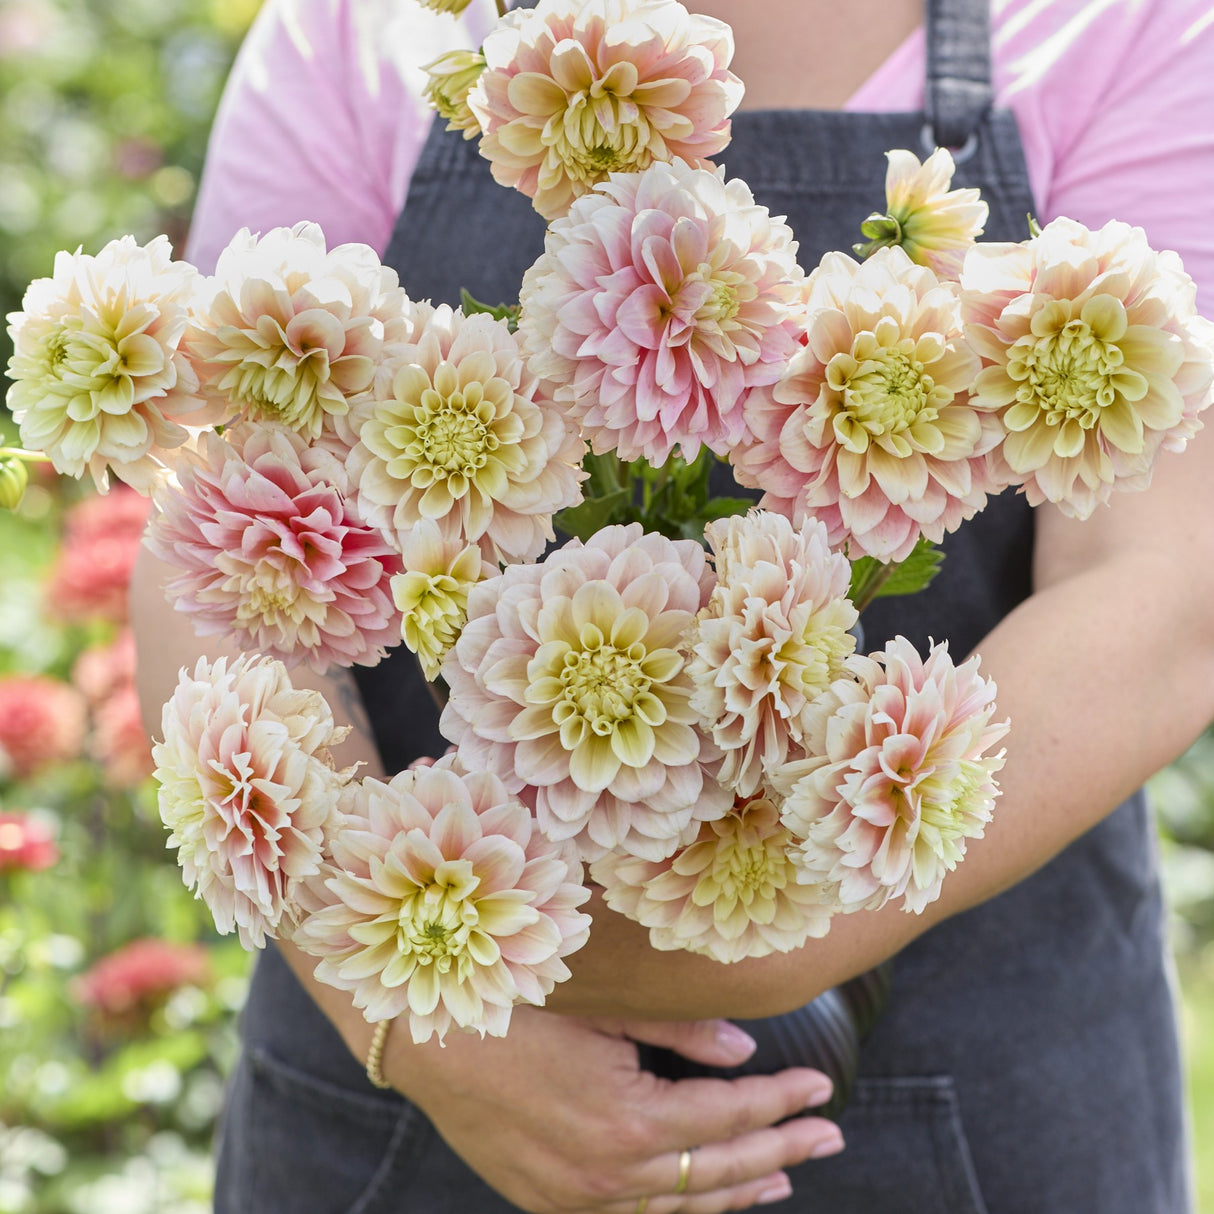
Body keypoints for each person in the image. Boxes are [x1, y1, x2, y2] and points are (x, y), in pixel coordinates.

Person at [132, 0, 1214, 1211]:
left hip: (967, 1080)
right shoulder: (361, 27)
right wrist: (426, 1019)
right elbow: (212, 538)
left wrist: (739, 939)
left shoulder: (1127, 27)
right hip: (400, 1077)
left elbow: (1159, 592)